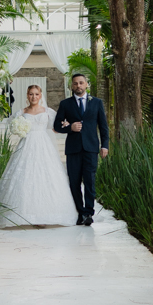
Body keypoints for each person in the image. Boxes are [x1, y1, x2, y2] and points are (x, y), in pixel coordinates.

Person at [0, 84, 76, 227]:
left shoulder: (48, 112)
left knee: (46, 176)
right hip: (26, 145)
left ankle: (46, 215)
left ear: (40, 95)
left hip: (43, 145)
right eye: (31, 94)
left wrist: (66, 125)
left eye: (36, 94)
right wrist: (19, 129)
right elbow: (12, 126)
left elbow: (56, 128)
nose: (34, 97)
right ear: (27, 95)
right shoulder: (21, 112)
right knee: (25, 176)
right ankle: (25, 215)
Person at [52, 72, 109, 225]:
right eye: (75, 83)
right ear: (71, 86)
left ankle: (89, 213)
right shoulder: (65, 104)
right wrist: (70, 127)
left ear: (86, 84)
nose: (78, 85)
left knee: (90, 181)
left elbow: (103, 126)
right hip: (73, 149)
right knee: (74, 182)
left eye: (81, 83)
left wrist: (105, 145)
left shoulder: (97, 102)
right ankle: (79, 212)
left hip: (91, 148)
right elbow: (56, 126)